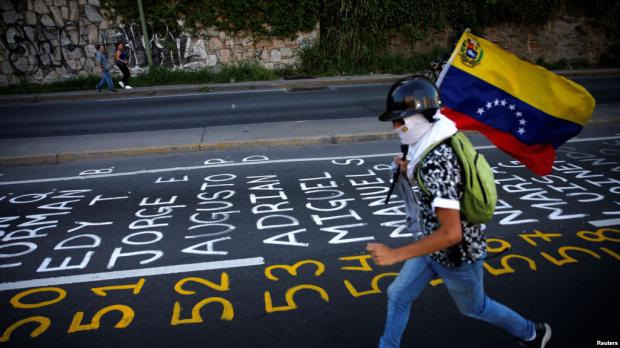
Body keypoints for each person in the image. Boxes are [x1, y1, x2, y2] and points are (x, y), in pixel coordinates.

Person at [366, 76, 551, 348]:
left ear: (423, 116)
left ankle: (532, 334)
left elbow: (452, 233)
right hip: (431, 246)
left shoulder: (437, 161)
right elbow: (446, 185)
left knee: (475, 307)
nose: (396, 127)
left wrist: (395, 254)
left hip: (457, 254)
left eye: (401, 119)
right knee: (398, 294)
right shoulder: (441, 136)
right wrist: (409, 171)